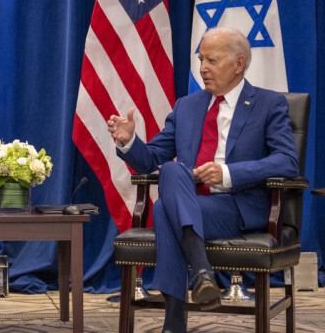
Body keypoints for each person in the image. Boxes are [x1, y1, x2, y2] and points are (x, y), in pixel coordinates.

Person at [107, 27, 299, 333]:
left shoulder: (268, 103)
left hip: (235, 208)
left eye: (212, 60)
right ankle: (202, 274)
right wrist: (128, 141)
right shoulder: (188, 106)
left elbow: (287, 161)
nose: (203, 68)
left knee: (162, 210)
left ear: (238, 64)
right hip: (194, 202)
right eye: (200, 59)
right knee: (170, 171)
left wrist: (228, 173)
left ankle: (175, 320)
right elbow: (151, 157)